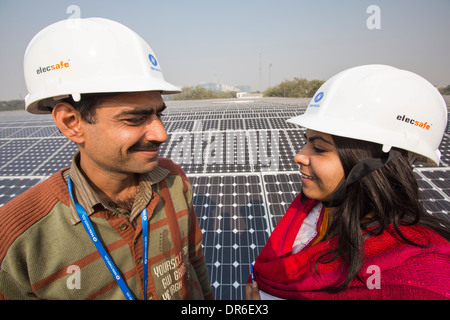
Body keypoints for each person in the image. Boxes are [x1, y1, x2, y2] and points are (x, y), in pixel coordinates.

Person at [0, 17, 213, 300]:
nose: (161, 134)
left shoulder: (173, 181)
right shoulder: (18, 238)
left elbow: (195, 263)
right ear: (71, 122)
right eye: (135, 118)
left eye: (158, 114)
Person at [246, 64, 450, 300]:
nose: (299, 155)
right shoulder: (312, 214)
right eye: (306, 142)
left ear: (375, 163)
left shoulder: (420, 284)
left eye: (319, 148)